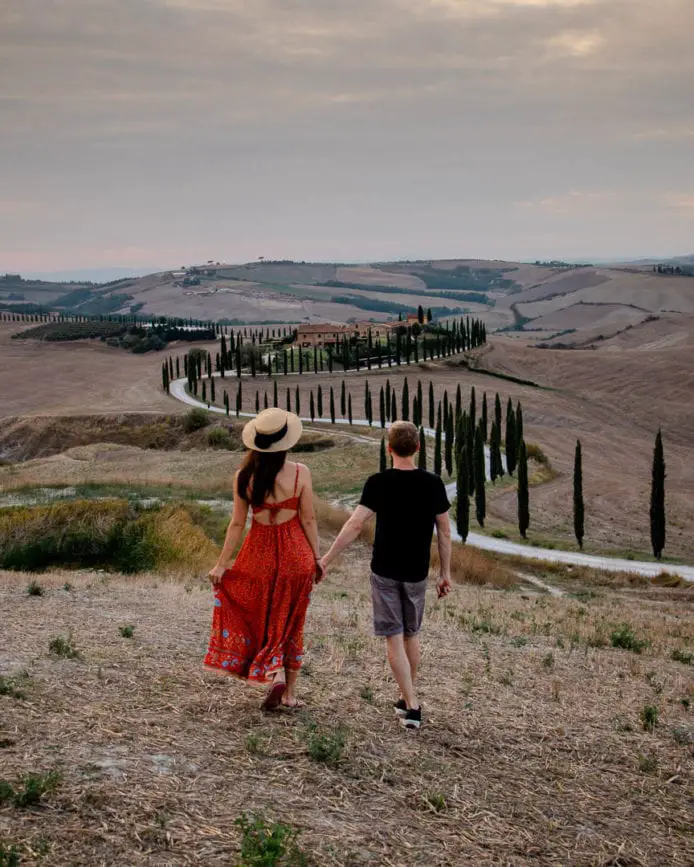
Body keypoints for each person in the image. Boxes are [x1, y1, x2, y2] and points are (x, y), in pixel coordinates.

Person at [320, 421, 452, 730]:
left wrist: (326, 559)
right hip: (417, 572)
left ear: (389, 449)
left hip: (385, 570)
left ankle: (413, 707)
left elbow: (354, 525)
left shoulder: (378, 482)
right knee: (411, 635)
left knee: (393, 636)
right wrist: (444, 574)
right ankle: (406, 699)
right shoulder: (433, 484)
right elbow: (444, 532)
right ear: (418, 448)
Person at [204, 407, 322, 710]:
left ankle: (266, 673)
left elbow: (236, 524)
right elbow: (308, 520)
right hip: (297, 557)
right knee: (293, 622)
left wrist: (222, 564)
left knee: (259, 614)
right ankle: (291, 694)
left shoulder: (244, 476)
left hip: (259, 555)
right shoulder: (300, 473)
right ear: (287, 443)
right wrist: (317, 558)